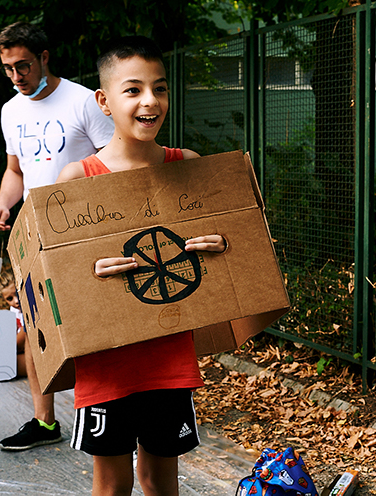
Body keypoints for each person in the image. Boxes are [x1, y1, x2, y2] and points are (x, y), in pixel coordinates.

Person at [57, 36, 225, 496]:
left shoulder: (188, 167)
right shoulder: (77, 180)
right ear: (104, 101)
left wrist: (220, 243)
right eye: (133, 90)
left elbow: (234, 252)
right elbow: (57, 280)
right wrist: (88, 271)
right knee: (111, 486)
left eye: (160, 88)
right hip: (105, 364)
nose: (150, 101)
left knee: (159, 481)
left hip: (168, 357)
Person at [0, 21, 114, 452]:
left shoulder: (83, 102)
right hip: (33, 235)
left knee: (86, 326)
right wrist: (4, 204)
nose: (16, 76)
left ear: (44, 58)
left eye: (22, 65)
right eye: (8, 69)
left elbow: (113, 162)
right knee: (36, 323)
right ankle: (44, 423)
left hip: (82, 233)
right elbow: (15, 171)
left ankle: (105, 413)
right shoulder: (11, 110)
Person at [0, 267, 26, 377]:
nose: (16, 301)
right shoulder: (14, 310)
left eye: (17, 294)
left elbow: (17, 344)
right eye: (10, 299)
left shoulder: (28, 309)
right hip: (20, 351)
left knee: (5, 366)